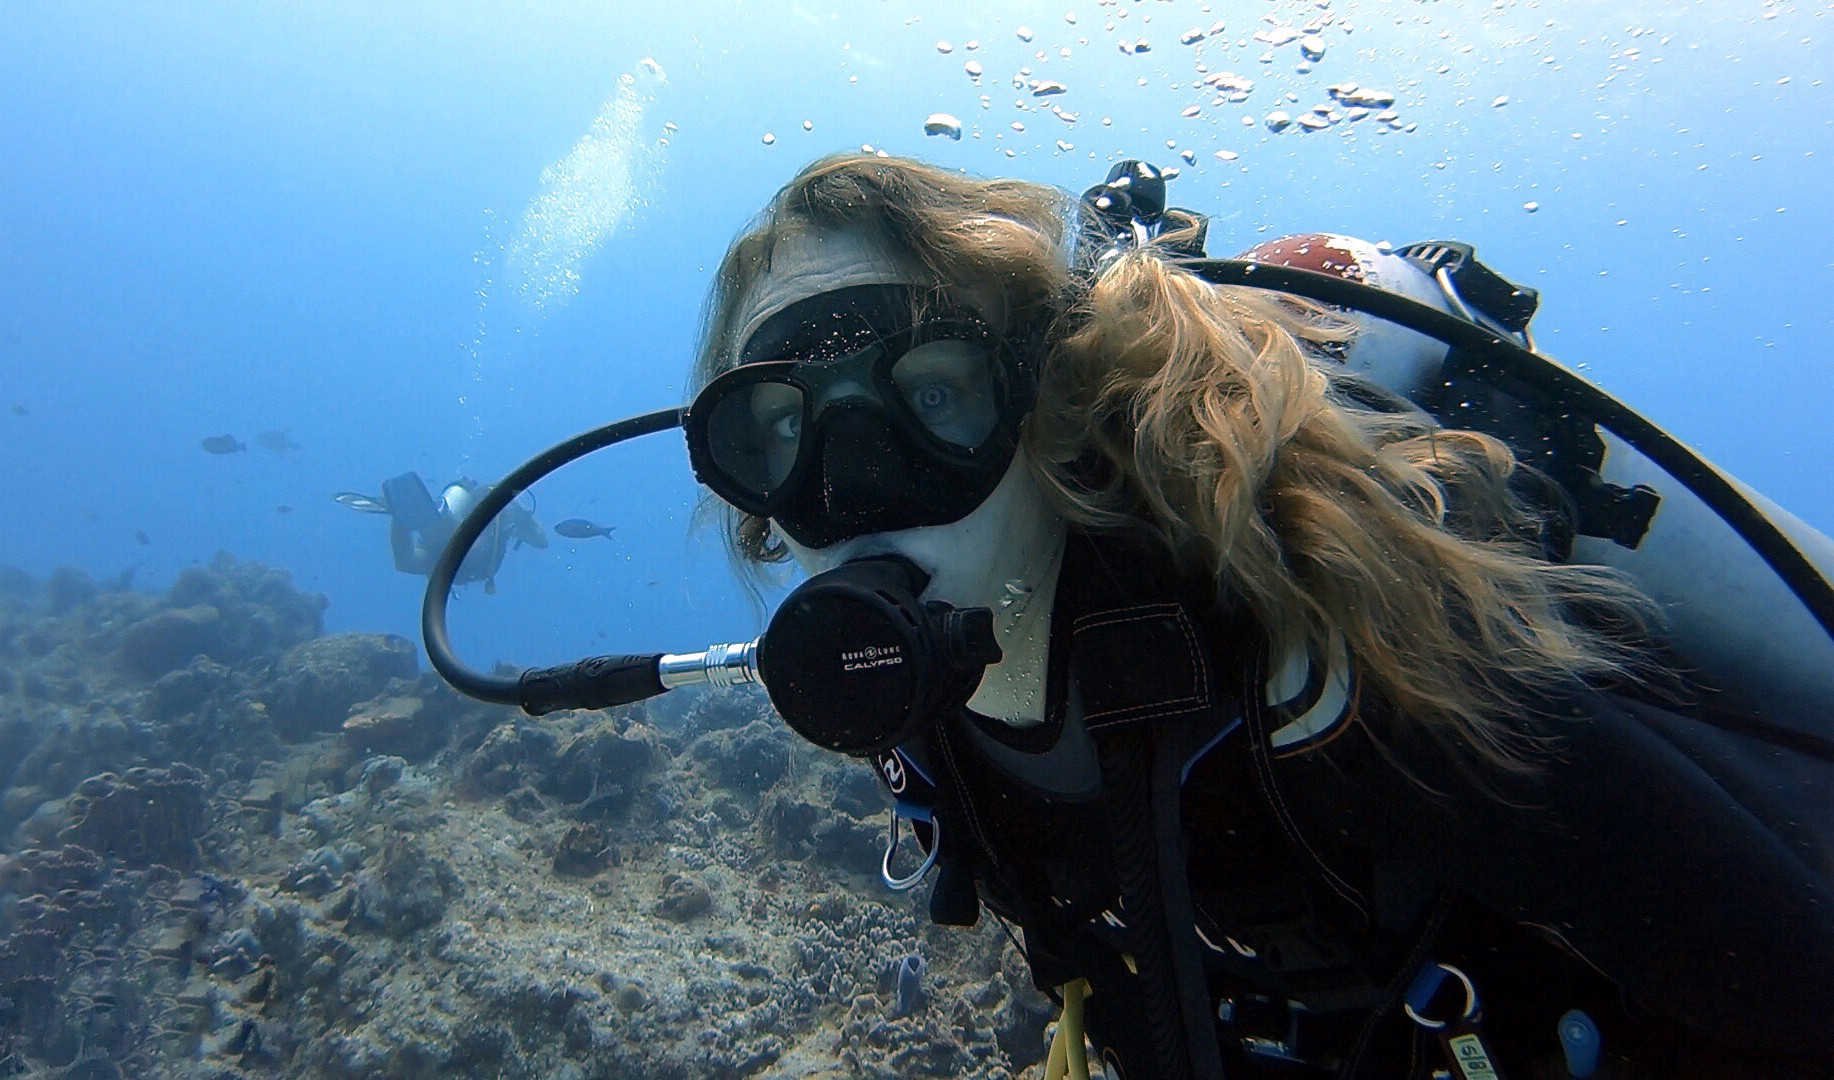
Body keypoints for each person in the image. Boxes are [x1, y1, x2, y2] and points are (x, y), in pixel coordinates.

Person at [682, 156, 1834, 1078]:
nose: (851, 492)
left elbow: (1790, 978)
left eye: (934, 393)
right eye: (776, 431)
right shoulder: (918, 700)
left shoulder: (1310, 642)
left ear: (1049, 401)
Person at [333, 472, 547, 594]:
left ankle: (401, 518)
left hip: (445, 562)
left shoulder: (500, 507)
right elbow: (542, 540)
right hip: (468, 561)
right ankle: (430, 513)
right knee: (457, 544)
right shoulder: (503, 506)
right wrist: (522, 516)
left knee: (407, 562)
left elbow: (541, 541)